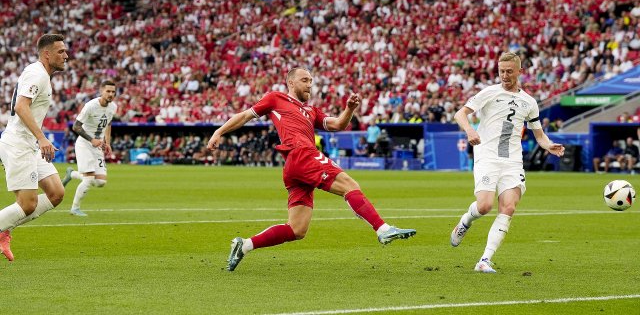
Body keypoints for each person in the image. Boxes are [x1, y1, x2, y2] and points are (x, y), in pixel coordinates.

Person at [207, 68, 416, 272]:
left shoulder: (311, 111)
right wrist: (219, 132)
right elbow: (245, 116)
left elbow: (337, 125)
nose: (310, 85)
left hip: (295, 166)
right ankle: (383, 229)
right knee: (349, 185)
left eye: (311, 81)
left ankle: (244, 245)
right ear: (291, 82)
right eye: (305, 80)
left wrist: (349, 109)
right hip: (300, 153)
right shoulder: (275, 98)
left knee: (297, 229)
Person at [450, 52, 565, 273]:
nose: (504, 75)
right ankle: (465, 221)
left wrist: (548, 145)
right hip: (487, 156)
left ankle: (484, 260)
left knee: (509, 207)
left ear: (520, 72)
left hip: (512, 160)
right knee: (484, 206)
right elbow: (460, 114)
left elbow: (539, 135)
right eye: (501, 71)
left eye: (509, 71)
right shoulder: (489, 93)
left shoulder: (529, 102)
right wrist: (470, 129)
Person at [0, 34, 68, 261]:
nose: (66, 56)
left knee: (56, 193)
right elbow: (21, 106)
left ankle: (6, 226)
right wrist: (42, 138)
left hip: (29, 144)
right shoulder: (36, 73)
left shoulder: (43, 76)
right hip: (19, 143)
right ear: (46, 54)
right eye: (61, 52)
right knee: (28, 204)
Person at [61, 80, 117, 216]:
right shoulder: (90, 106)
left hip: (97, 146)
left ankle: (72, 174)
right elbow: (76, 126)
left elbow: (108, 123)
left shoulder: (113, 107)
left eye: (113, 92)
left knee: (100, 181)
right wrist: (92, 139)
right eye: (108, 91)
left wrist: (107, 142)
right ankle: (75, 208)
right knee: (89, 179)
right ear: (101, 91)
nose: (111, 94)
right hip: (84, 144)